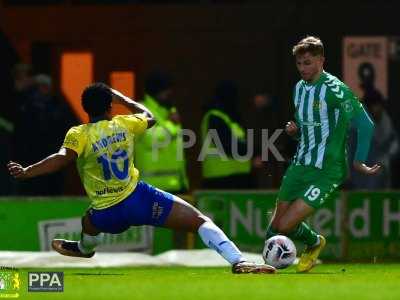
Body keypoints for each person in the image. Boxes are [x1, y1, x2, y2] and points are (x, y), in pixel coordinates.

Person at [7, 82, 275, 274]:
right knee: (199, 221)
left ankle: (86, 248)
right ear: (110, 106)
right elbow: (149, 117)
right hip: (140, 200)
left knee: (88, 220)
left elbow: (61, 158)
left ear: (85, 108)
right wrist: (123, 98)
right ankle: (238, 261)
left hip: (107, 214)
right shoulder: (124, 123)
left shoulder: (78, 133)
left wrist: (28, 171)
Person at [264, 36, 380, 273]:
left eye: (308, 63)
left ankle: (314, 242)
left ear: (321, 60)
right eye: (299, 64)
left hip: (328, 169)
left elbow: (366, 125)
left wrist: (359, 160)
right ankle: (303, 246)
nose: (303, 69)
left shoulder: (335, 89)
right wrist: (295, 132)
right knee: (275, 226)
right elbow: (309, 129)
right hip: (300, 164)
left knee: (286, 224)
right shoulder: (298, 89)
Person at [134, 71, 188, 194]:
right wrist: (172, 125)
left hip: (177, 185)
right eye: (166, 90)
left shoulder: (169, 110)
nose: (170, 93)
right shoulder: (141, 111)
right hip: (153, 187)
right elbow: (151, 140)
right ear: (156, 90)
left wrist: (183, 182)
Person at [201, 80, 253, 189]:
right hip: (221, 180)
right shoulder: (215, 117)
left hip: (237, 178)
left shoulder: (230, 118)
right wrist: (253, 152)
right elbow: (227, 145)